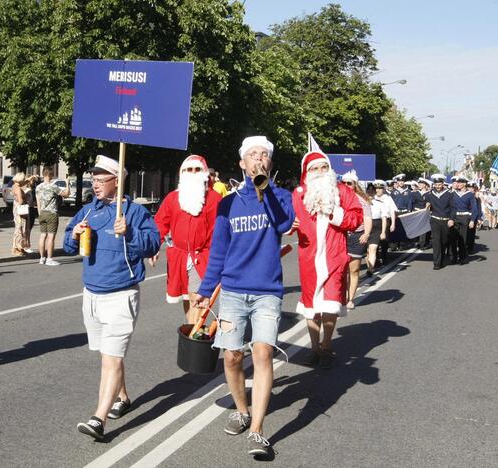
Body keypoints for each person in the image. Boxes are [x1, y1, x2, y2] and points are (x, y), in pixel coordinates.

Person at [195, 136, 294, 459]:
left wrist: (265, 193)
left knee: (263, 353)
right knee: (232, 356)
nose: (259, 159)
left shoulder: (281, 197)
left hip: (267, 291)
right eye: (253, 155)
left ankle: (257, 431)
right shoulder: (228, 204)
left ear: (269, 163)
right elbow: (219, 253)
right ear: (242, 163)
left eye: (264, 155)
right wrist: (205, 291)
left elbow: (283, 223)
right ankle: (241, 409)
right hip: (234, 291)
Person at [65, 155, 160, 441]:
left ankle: (98, 418)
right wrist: (74, 234)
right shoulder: (87, 211)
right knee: (107, 355)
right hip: (91, 293)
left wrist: (130, 233)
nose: (94, 184)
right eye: (92, 179)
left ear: (117, 181)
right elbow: (68, 244)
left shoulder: (134, 212)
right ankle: (123, 396)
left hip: (121, 294)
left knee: (111, 358)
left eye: (100, 179)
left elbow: (153, 243)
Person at [292, 153, 363, 371]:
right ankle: (314, 348)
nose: (321, 171)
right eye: (315, 168)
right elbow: (284, 218)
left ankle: (326, 344)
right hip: (309, 256)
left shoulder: (342, 191)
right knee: (311, 305)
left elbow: (356, 219)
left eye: (325, 167)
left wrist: (335, 212)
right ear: (307, 172)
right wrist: (288, 224)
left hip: (334, 255)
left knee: (331, 301)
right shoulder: (299, 194)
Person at [152, 155, 222, 323]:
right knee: (187, 298)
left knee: (195, 296)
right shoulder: (172, 198)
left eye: (197, 169)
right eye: (188, 169)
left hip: (203, 256)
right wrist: (153, 246)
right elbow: (159, 224)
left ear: (204, 173)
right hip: (179, 257)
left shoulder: (214, 199)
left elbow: (220, 231)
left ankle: (192, 336)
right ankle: (194, 332)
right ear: (182, 173)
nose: (193, 173)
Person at [341, 171, 372, 310]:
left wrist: (366, 233)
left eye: (349, 183)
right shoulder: (338, 198)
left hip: (356, 236)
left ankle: (350, 299)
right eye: (344, 183)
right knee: (341, 270)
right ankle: (340, 296)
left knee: (353, 270)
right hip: (340, 236)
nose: (346, 185)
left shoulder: (362, 200)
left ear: (355, 185)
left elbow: (367, 219)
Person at [35, 168, 69, 266]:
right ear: (51, 175)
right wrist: (67, 184)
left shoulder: (38, 187)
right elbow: (66, 195)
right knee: (51, 237)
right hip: (52, 213)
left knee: (42, 236)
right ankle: (49, 258)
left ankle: (42, 258)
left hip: (42, 213)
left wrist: (39, 213)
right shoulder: (53, 186)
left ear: (43, 174)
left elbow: (38, 202)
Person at [425, 174, 454, 270]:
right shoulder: (429, 194)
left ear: (443, 184)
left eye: (439, 184)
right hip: (435, 220)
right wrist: (427, 204)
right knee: (436, 241)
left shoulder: (449, 194)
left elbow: (453, 208)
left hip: (445, 221)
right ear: (434, 185)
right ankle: (436, 263)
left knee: (444, 241)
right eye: (436, 184)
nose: (437, 186)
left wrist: (451, 219)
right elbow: (426, 202)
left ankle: (441, 258)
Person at [449, 175, 477, 265]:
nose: (458, 184)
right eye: (457, 182)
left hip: (465, 218)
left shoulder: (470, 195)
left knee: (463, 239)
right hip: (455, 218)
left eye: (460, 182)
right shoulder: (453, 194)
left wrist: (472, 220)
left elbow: (474, 208)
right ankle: (453, 257)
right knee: (453, 238)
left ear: (465, 184)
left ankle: (462, 257)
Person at [366, 181, 388, 276]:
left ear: (375, 192)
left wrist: (383, 232)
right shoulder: (362, 203)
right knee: (368, 250)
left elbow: (384, 218)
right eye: (369, 191)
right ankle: (369, 266)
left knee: (373, 248)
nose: (370, 192)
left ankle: (370, 270)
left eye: (372, 191)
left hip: (376, 226)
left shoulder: (380, 203)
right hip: (365, 225)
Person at [373, 180, 397, 265]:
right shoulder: (372, 198)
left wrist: (393, 224)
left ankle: (384, 257)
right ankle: (375, 259)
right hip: (375, 221)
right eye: (376, 188)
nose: (378, 190)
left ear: (383, 189)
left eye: (380, 188)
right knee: (374, 241)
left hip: (386, 221)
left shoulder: (388, 198)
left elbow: (392, 211)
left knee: (384, 241)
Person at [11, 173, 35, 256]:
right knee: (20, 229)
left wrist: (30, 178)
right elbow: (20, 200)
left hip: (16, 209)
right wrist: (25, 203)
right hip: (20, 211)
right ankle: (17, 248)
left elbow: (23, 183)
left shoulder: (15, 186)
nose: (24, 182)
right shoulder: (18, 188)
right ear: (20, 180)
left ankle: (19, 247)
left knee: (19, 228)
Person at [412, 177, 432, 248]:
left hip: (424, 212)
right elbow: (412, 203)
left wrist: (429, 204)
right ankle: (416, 242)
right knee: (416, 227)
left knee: (423, 228)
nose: (419, 185)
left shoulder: (429, 194)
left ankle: (422, 243)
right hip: (416, 212)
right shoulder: (415, 193)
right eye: (419, 183)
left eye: (421, 184)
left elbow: (430, 202)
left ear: (425, 185)